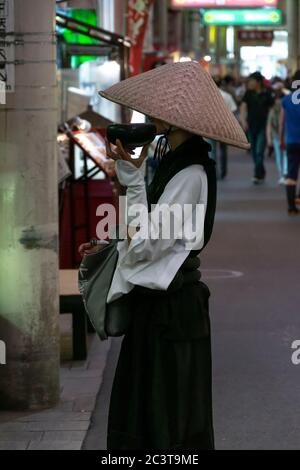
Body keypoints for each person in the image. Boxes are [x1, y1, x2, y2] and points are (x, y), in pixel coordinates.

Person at [81, 62, 249, 450]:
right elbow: (142, 238)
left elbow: (145, 244)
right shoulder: (174, 165)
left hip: (170, 312)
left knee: (164, 421)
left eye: (157, 110)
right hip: (162, 309)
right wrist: (111, 242)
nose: (149, 115)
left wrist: (133, 180)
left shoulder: (190, 174)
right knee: (154, 414)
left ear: (176, 120)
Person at [240, 71, 274, 184]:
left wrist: (271, 124)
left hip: (263, 127)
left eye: (252, 81)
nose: (249, 83)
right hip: (251, 126)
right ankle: (261, 171)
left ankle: (257, 174)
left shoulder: (267, 93)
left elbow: (272, 109)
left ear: (258, 82)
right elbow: (243, 107)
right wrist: (243, 121)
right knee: (254, 151)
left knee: (259, 151)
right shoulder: (248, 93)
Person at [280, 70, 300, 215]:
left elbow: (282, 122)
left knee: (291, 174)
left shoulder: (286, 100)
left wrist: (281, 139)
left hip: (292, 141)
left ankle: (291, 207)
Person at [210, 78, 238, 179]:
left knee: (211, 150)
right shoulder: (226, 96)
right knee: (223, 150)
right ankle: (223, 171)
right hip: (224, 127)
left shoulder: (206, 97)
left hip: (210, 127)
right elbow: (233, 111)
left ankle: (214, 171)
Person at [267, 82, 289, 185]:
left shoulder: (286, 107)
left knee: (284, 154)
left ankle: (284, 173)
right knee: (280, 155)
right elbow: (269, 125)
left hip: (284, 135)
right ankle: (282, 174)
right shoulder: (273, 111)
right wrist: (269, 139)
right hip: (277, 136)